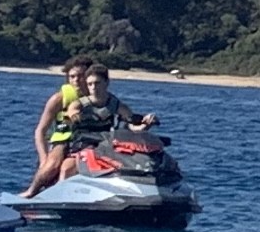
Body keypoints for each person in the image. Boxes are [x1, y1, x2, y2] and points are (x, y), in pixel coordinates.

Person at [22, 58, 158, 198]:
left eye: (81, 76)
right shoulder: (61, 99)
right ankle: (33, 192)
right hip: (65, 138)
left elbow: (129, 120)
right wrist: (43, 158)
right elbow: (41, 130)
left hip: (98, 140)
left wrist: (143, 124)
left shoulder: (109, 100)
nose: (76, 81)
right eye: (72, 77)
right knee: (54, 165)